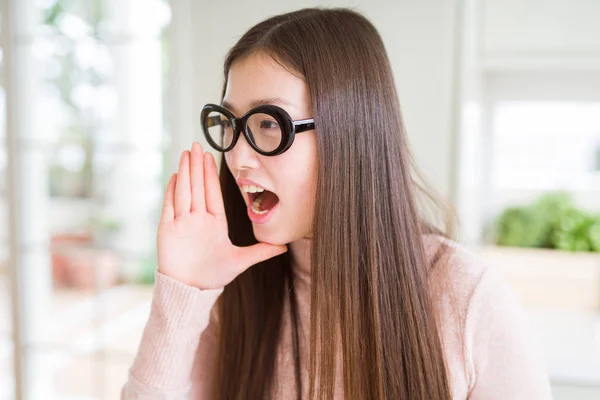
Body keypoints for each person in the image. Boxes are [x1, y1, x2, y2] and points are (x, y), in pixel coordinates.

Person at [121, 8, 552, 400]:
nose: (236, 157)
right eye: (231, 123)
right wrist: (183, 293)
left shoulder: (467, 298)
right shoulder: (229, 292)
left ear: (350, 133)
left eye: (269, 123)